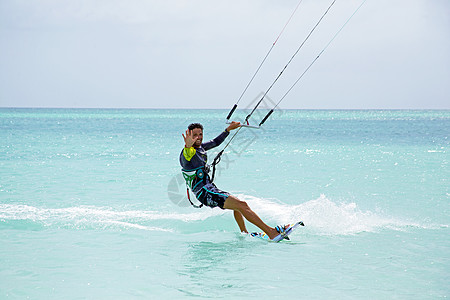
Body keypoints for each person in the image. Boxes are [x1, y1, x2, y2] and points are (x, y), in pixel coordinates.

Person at [180, 122, 288, 240]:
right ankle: (271, 232)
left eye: (200, 134)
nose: (198, 137)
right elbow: (187, 153)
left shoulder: (200, 148)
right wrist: (187, 146)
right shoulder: (187, 154)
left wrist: (228, 129)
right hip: (205, 193)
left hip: (210, 190)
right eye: (194, 135)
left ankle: (244, 234)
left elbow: (215, 142)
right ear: (189, 136)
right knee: (242, 205)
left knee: (238, 206)